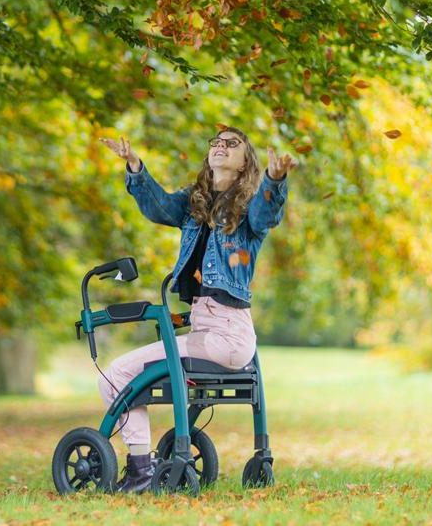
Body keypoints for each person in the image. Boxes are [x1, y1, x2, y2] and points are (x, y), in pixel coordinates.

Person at [97, 127, 295, 493]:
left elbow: (266, 214)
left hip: (223, 333)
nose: (220, 146)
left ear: (244, 162)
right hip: (219, 333)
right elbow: (158, 207)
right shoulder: (195, 204)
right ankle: (148, 465)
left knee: (115, 374)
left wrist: (275, 178)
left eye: (231, 143)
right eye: (216, 142)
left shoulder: (248, 207)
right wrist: (134, 165)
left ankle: (140, 469)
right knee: (132, 370)